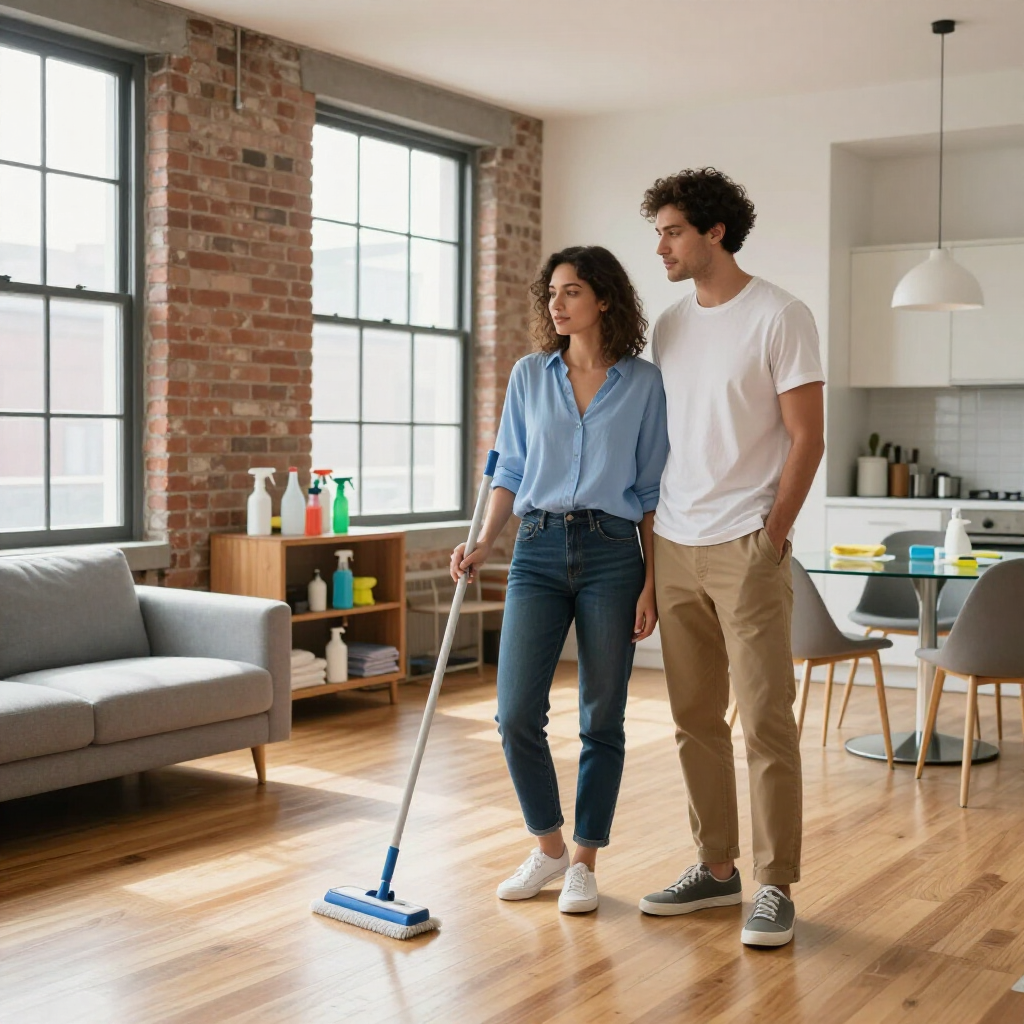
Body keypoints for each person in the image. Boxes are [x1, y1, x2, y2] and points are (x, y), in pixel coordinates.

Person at [636, 168, 825, 947]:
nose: (662, 248)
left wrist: (770, 539)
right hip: (675, 543)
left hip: (745, 548)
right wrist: (652, 563)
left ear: (715, 231)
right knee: (691, 719)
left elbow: (808, 437)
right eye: (658, 234)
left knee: (766, 722)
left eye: (673, 232)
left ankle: (775, 884)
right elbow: (660, 447)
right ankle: (716, 870)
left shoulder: (781, 315)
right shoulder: (671, 326)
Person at [450, 245, 668, 914]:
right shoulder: (528, 375)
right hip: (536, 550)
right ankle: (547, 847)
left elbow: (653, 490)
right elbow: (508, 469)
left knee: (603, 716)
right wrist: (483, 540)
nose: (556, 302)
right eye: (552, 292)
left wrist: (651, 585)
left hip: (613, 553)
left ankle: (584, 862)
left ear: (603, 299)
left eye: (571, 290)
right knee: (516, 713)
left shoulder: (643, 383)